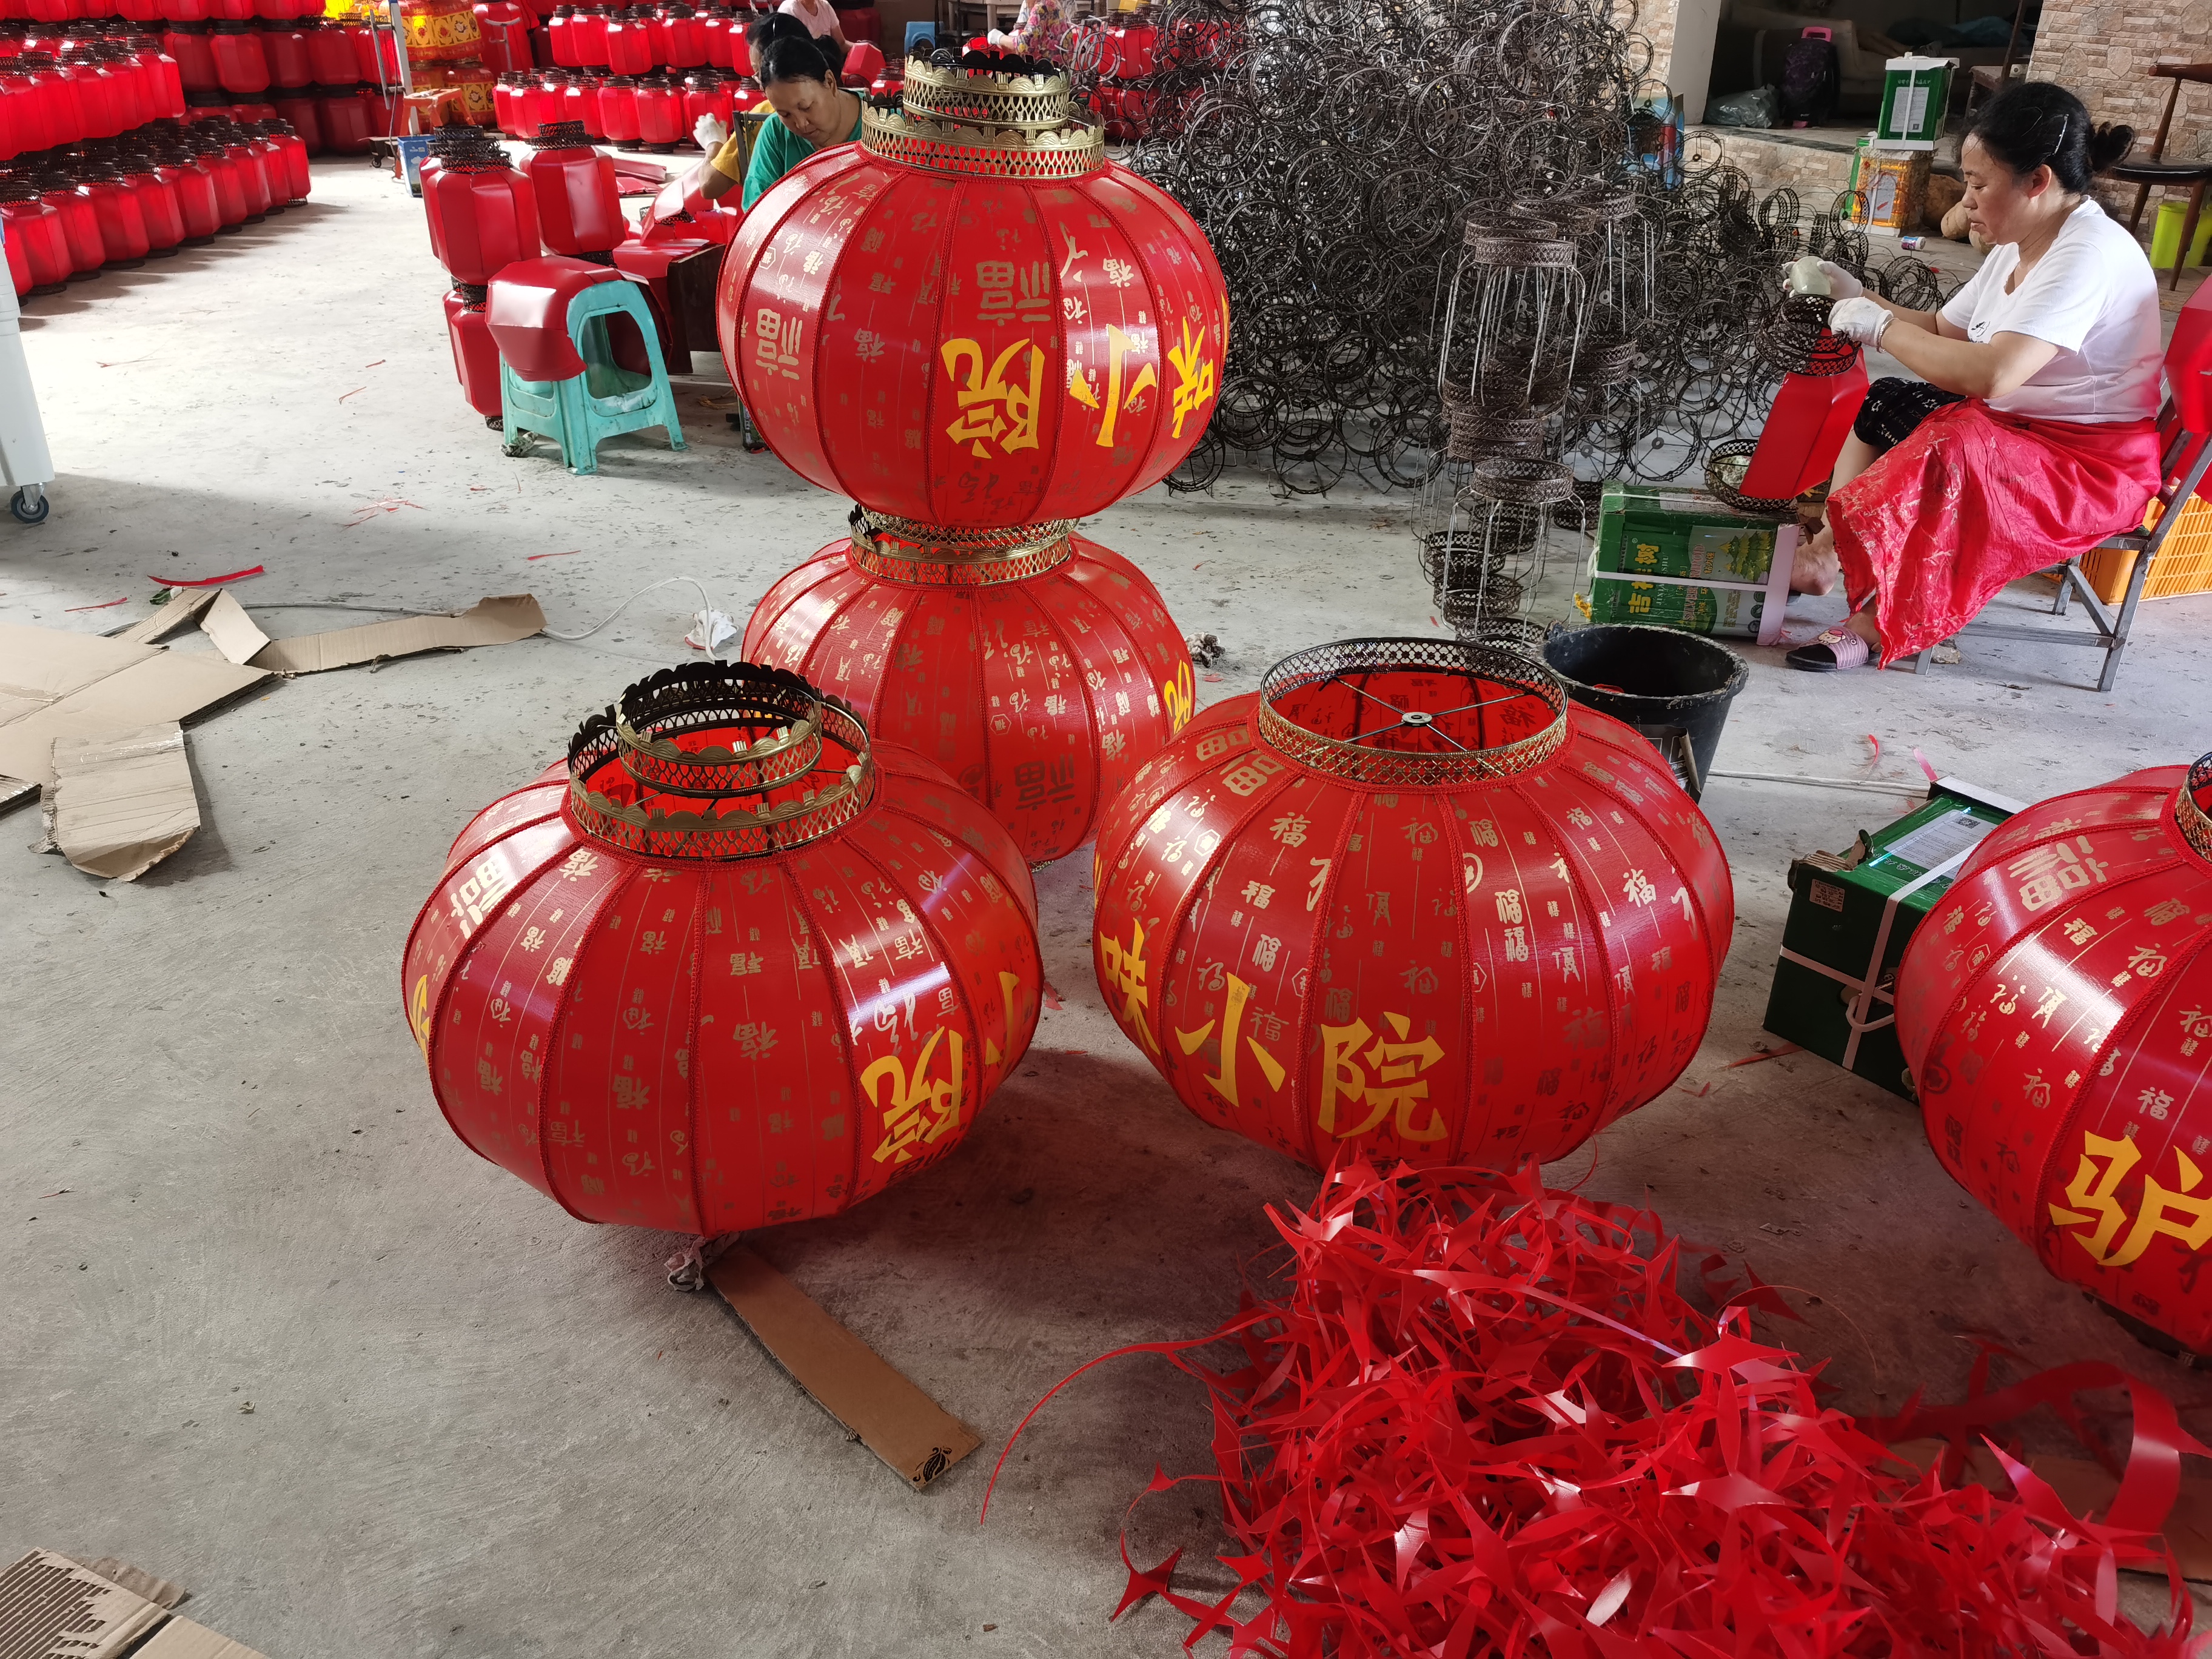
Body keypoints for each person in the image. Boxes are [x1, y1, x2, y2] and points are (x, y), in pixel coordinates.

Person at [1783, 81, 2159, 672]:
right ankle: (1829, 556)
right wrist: (1857, 296)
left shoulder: (2086, 254)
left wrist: (1879, 327)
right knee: (1886, 402)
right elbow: (1944, 329)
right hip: (2017, 427)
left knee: (1950, 447)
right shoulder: (2020, 239)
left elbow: (1994, 375)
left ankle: (1877, 621)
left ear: (2037, 181)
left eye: (1980, 185)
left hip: (2087, 466)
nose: (1967, 202)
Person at [691, 31, 862, 210]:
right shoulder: (775, 132)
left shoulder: (880, 122)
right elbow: (758, 214)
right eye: (785, 114)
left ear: (830, 82)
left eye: (806, 107)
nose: (801, 124)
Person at [986, 0, 1072, 60]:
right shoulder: (1054, 3)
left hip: (1048, 71)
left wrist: (998, 38)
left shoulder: (1042, 7)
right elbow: (1022, 30)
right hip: (1060, 70)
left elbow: (1024, 45)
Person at [776, 0, 846, 53]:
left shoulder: (825, 6)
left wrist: (853, 50)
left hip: (828, 64)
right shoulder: (789, 11)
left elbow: (841, 44)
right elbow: (792, 55)